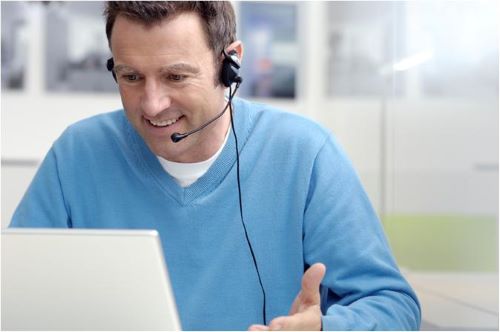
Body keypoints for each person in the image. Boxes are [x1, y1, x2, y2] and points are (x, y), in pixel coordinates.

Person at [10, 1, 421, 330]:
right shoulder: (77, 154)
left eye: (175, 77)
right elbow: (15, 294)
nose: (152, 105)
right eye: (131, 77)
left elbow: (392, 306)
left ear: (230, 64)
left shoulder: (304, 153)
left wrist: (325, 329)